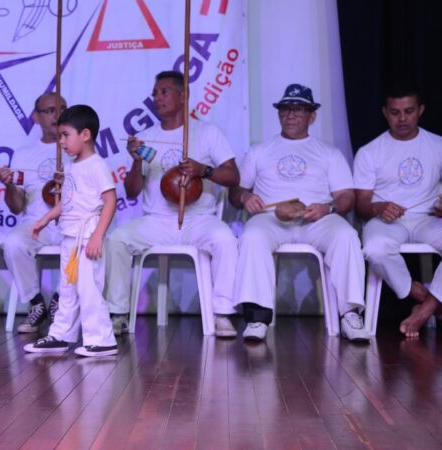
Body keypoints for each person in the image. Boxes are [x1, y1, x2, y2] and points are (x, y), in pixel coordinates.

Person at [106, 71, 241, 337]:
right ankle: (118, 313)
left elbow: (234, 176)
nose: (157, 98)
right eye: (155, 93)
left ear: (184, 96)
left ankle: (223, 313)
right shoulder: (145, 137)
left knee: (225, 238)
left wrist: (204, 170)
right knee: (117, 238)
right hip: (157, 220)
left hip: (199, 218)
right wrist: (135, 160)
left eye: (164, 91)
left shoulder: (207, 132)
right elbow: (132, 192)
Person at [230, 83, 369, 342]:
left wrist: (328, 207)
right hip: (272, 219)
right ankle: (257, 318)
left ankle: (350, 313)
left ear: (312, 116)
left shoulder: (329, 153)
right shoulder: (259, 151)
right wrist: (246, 196)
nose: (290, 115)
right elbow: (235, 192)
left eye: (298, 109)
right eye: (285, 109)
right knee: (252, 236)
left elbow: (346, 197)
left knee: (346, 236)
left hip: (315, 218)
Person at [24, 105, 118, 357]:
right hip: (70, 235)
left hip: (87, 235)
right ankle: (61, 335)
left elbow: (110, 200)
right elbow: (68, 201)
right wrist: (46, 218)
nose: (61, 142)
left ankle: (102, 339)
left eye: (66, 135)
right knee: (67, 287)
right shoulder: (72, 166)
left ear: (85, 135)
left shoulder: (96, 165)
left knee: (88, 288)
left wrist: (97, 235)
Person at [353, 86, 442, 338]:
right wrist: (378, 207)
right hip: (387, 221)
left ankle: (424, 310)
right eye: (394, 112)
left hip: (429, 218)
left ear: (421, 111)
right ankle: (423, 296)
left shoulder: (437, 144)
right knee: (374, 248)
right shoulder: (370, 152)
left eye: (409, 111)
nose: (402, 119)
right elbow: (360, 206)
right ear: (385, 112)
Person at [0, 92, 67, 333]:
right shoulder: (24, 153)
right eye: (49, 111)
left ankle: (60, 299)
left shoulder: (77, 146)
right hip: (37, 222)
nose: (57, 115)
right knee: (13, 243)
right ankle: (36, 303)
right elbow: (16, 206)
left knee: (87, 242)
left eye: (62, 109)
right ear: (36, 117)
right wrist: (8, 184)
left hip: (70, 220)